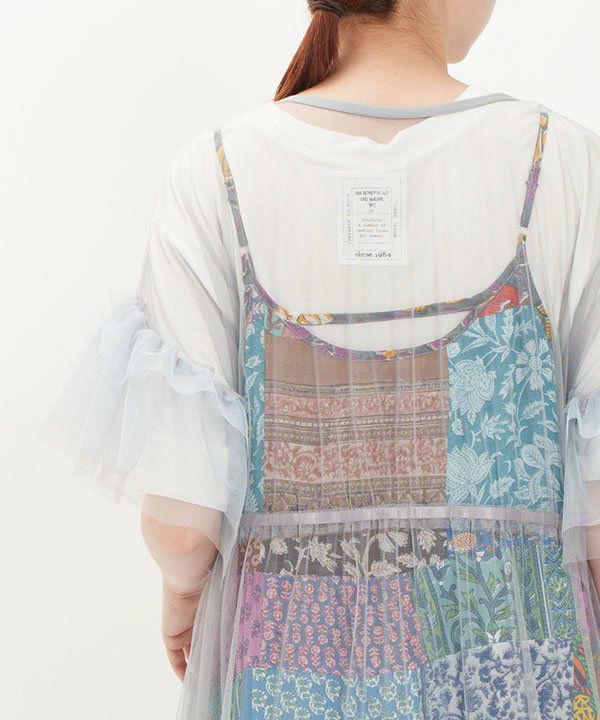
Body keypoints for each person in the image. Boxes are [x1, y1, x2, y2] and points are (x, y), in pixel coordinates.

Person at [41, 1, 600, 718]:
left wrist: (182, 598)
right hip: (522, 671)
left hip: (285, 672)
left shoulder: (216, 172)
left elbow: (184, 521)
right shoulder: (566, 162)